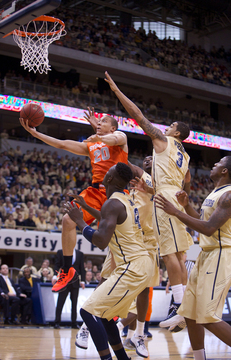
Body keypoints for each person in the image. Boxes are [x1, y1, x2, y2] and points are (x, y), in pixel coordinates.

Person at [105, 71, 192, 330]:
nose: (168, 126)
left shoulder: (164, 140)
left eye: (172, 124)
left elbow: (138, 116)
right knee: (178, 253)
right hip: (174, 194)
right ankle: (182, 304)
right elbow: (186, 180)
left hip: (165, 198)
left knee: (169, 255)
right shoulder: (184, 155)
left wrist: (117, 92)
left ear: (176, 131)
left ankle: (180, 307)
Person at [19, 107, 128, 293]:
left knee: (118, 249)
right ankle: (67, 270)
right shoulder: (91, 145)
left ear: (112, 128)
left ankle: (119, 298)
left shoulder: (119, 138)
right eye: (98, 121)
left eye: (103, 121)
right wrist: (35, 134)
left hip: (117, 195)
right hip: (95, 192)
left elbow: (115, 138)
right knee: (68, 219)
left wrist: (99, 136)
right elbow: (62, 144)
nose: (99, 122)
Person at [65, 162, 152, 360]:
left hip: (132, 266)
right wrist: (86, 207)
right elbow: (109, 221)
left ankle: (107, 358)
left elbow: (101, 241)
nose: (105, 173)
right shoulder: (124, 199)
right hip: (140, 263)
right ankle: (122, 358)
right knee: (104, 315)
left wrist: (80, 221)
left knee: (88, 312)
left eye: (108, 171)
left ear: (110, 179)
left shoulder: (112, 203)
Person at [154, 156, 231, 360]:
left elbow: (207, 229)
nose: (213, 164)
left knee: (207, 316)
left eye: (218, 162)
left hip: (221, 254)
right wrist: (186, 207)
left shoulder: (228, 195)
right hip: (207, 255)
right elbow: (202, 221)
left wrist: (175, 212)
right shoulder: (215, 193)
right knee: (190, 315)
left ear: (225, 171)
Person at [52, 248, 85, 329]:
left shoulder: (80, 254)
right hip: (64, 281)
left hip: (75, 282)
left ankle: (74, 323)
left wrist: (83, 280)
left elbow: (82, 268)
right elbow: (57, 264)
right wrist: (54, 275)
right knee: (60, 302)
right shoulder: (61, 252)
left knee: (74, 303)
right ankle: (57, 322)